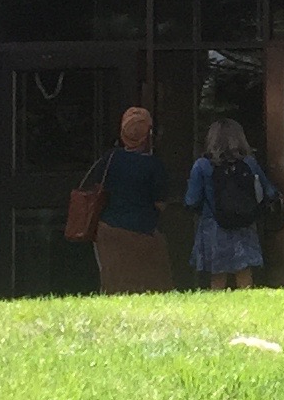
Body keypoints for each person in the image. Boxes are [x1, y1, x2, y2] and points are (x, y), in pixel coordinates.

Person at [90, 106, 170, 294]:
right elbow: (160, 204)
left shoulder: (109, 159)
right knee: (152, 287)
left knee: (114, 287)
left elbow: (97, 189)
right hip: (144, 232)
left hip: (108, 230)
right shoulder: (154, 165)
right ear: (148, 134)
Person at [185, 118, 273, 291]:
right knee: (244, 273)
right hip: (245, 224)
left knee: (217, 277)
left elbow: (191, 200)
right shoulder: (249, 163)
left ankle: (219, 312)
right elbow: (268, 192)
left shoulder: (202, 165)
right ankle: (247, 310)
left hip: (213, 226)